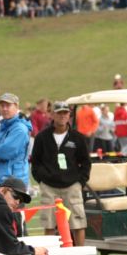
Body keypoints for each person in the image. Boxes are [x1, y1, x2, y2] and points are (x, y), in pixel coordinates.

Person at [31, 102, 91, 246]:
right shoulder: (42, 137)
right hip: (49, 187)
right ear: (52, 115)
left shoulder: (77, 137)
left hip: (72, 186)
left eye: (65, 113)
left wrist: (80, 182)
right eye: (59, 113)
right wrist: (42, 180)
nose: (62, 116)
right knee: (49, 224)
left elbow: (86, 162)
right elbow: (36, 162)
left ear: (69, 115)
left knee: (78, 222)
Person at [0, 94, 31, 189]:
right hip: (1, 180)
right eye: (2, 106)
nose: (4, 109)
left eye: (8, 105)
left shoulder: (19, 129)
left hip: (14, 182)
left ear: (16, 106)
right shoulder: (3, 127)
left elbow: (6, 151)